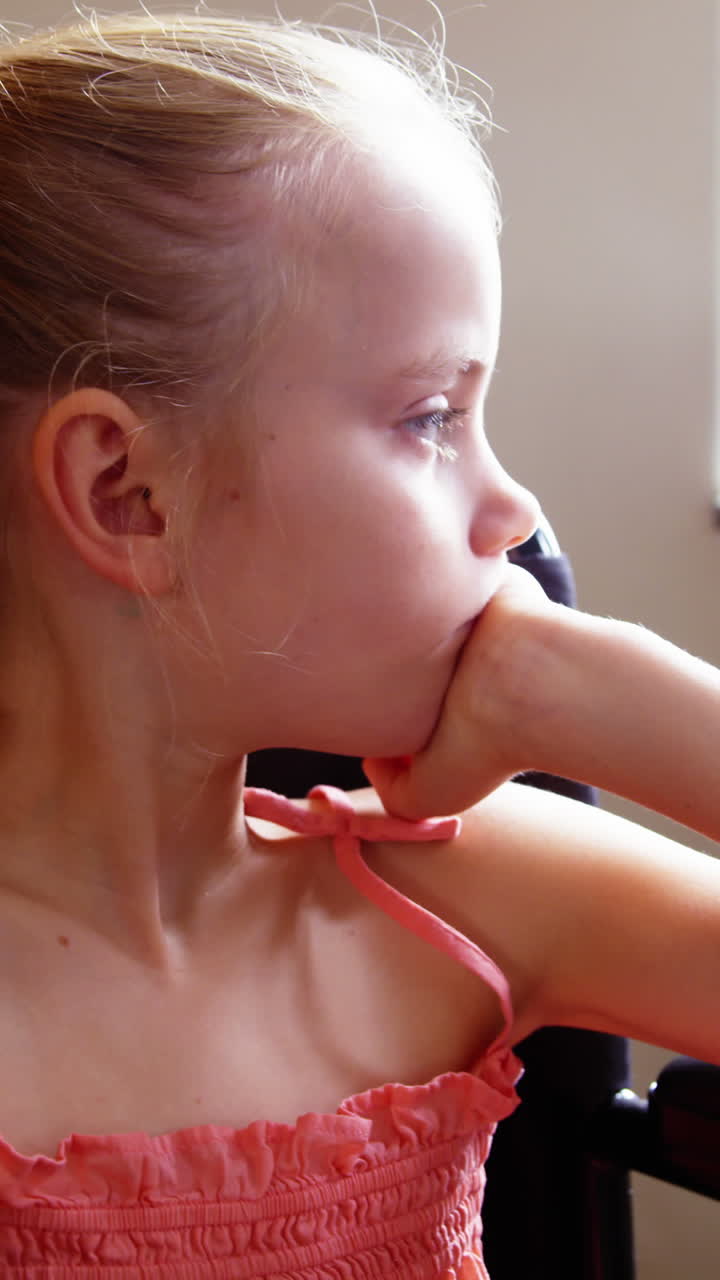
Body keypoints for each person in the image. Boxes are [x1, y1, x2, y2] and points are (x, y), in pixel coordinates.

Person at [0, 10, 718, 1277]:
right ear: (129, 495)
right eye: (433, 417)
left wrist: (613, 697)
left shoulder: (461, 896)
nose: (517, 509)